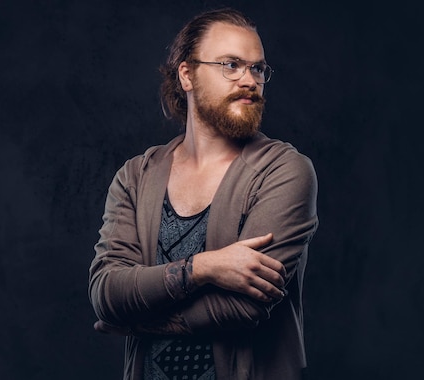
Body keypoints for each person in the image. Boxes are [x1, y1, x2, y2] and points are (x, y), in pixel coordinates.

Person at [89, 8, 318, 380]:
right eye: (231, 65)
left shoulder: (283, 170)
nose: (249, 80)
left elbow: (244, 309)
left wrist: (136, 322)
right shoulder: (136, 176)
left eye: (258, 69)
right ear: (187, 75)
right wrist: (202, 269)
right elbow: (107, 293)